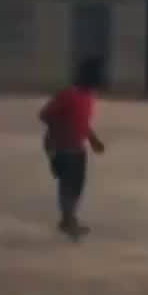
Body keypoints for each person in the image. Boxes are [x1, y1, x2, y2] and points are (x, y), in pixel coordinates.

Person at [40, 57, 106, 240]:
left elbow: (83, 123)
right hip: (62, 147)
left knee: (77, 185)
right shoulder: (68, 94)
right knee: (68, 185)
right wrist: (58, 132)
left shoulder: (88, 97)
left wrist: (93, 140)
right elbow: (44, 115)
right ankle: (68, 221)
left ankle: (67, 219)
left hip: (78, 147)